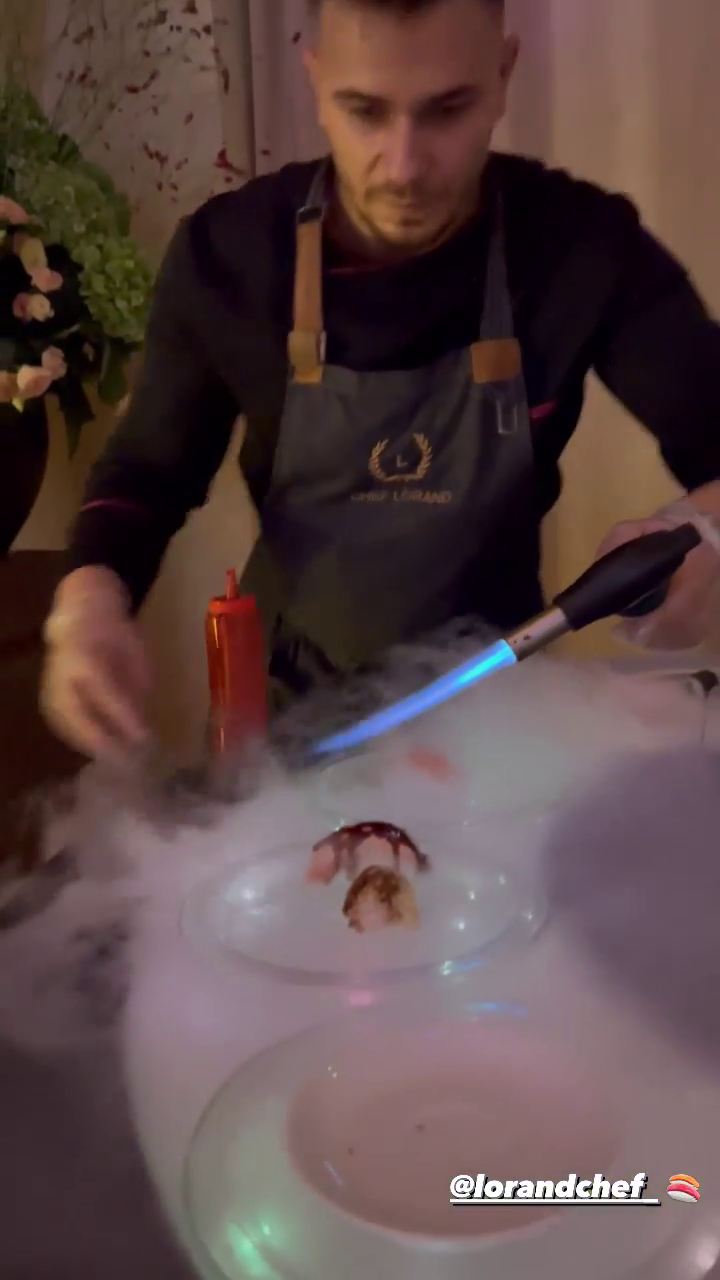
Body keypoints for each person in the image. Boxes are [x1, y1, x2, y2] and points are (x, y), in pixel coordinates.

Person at [41, 0, 720, 760]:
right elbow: (147, 474)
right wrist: (90, 599)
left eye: (447, 110)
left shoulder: (579, 247)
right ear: (315, 80)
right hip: (282, 738)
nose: (403, 168)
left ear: (503, 76)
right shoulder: (231, 256)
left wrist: (705, 531)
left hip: (500, 729)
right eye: (365, 111)